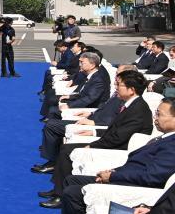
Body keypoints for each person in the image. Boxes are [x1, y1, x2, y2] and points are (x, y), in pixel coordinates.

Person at [47, 98, 175, 214]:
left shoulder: (172, 145)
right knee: (72, 181)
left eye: (159, 114)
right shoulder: (165, 138)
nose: (155, 118)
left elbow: (151, 176)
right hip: (123, 175)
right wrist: (113, 172)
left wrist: (113, 176)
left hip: (132, 186)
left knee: (73, 193)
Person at [39, 69, 154, 204]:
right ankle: (58, 190)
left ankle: (60, 195)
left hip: (119, 150)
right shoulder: (130, 104)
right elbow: (115, 130)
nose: (116, 87)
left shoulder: (138, 110)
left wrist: (92, 145)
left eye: (119, 85)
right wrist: (95, 133)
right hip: (110, 142)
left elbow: (118, 138)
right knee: (66, 148)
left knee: (67, 152)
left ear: (131, 90)